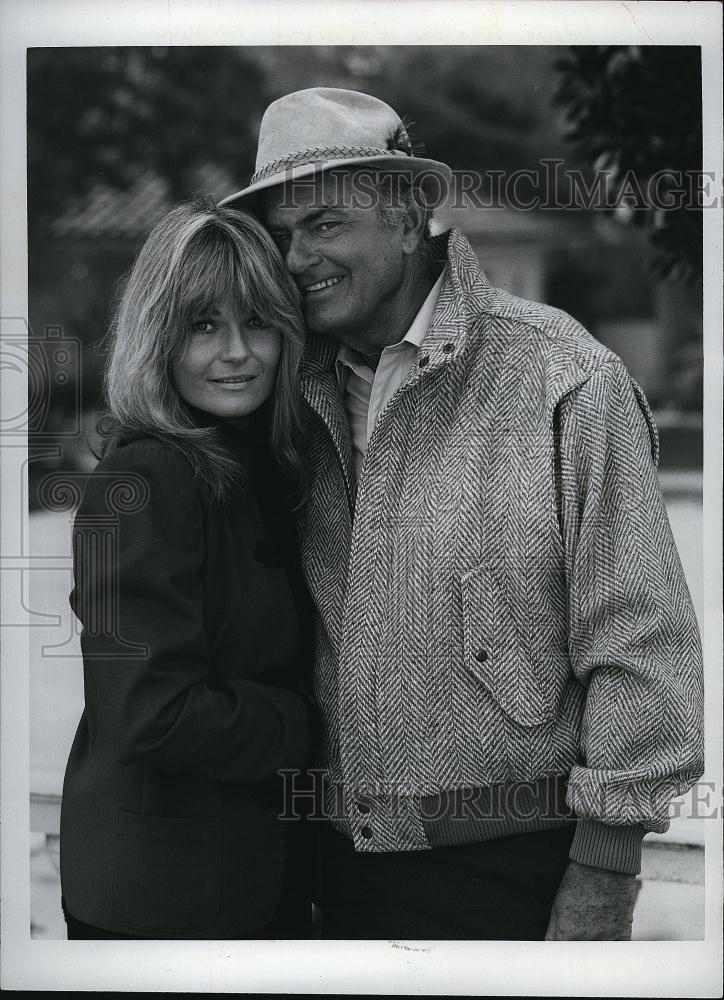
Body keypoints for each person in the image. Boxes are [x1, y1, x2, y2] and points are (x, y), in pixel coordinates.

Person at [218, 87, 705, 941]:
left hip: (518, 878)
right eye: (282, 235)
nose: (296, 259)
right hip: (320, 871)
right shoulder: (281, 389)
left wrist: (603, 877)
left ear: (410, 218)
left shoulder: (565, 379)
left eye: (325, 224)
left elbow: (642, 648)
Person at [59, 201, 318, 939]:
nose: (237, 352)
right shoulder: (142, 480)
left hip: (246, 875)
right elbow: (150, 711)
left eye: (258, 322)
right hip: (161, 898)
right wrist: (309, 722)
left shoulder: (258, 460)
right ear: (158, 339)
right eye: (204, 326)